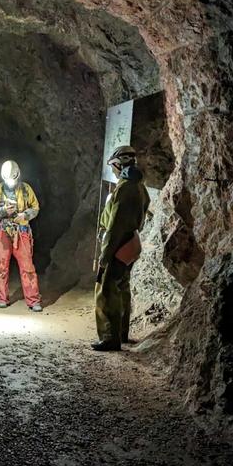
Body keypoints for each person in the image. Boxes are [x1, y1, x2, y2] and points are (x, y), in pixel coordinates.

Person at [93, 145, 150, 351]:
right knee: (122, 286)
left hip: (119, 244)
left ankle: (110, 337)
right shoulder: (139, 186)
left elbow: (115, 224)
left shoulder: (125, 187)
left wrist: (105, 255)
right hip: (131, 242)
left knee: (106, 288)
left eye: (114, 166)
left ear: (119, 164)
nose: (114, 171)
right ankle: (121, 333)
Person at [0, 160, 42, 312]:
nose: (10, 182)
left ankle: (33, 300)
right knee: (1, 267)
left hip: (21, 231)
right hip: (3, 231)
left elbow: (35, 207)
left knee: (27, 267)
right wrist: (4, 211)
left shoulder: (25, 189)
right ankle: (2, 298)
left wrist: (25, 214)